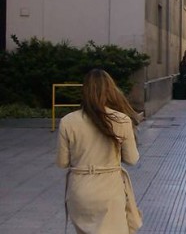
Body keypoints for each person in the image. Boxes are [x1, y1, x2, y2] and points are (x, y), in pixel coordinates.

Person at [56, 69, 142, 233]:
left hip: (79, 190)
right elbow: (132, 159)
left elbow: (62, 162)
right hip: (109, 189)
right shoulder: (121, 120)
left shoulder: (68, 121)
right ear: (111, 89)